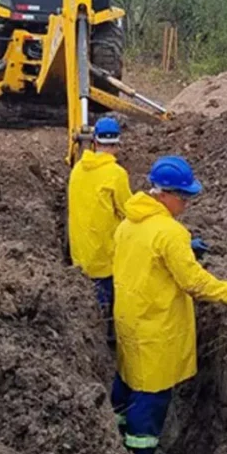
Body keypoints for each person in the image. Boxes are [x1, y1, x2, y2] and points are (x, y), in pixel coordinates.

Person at [111, 155, 227, 454]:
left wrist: (184, 249)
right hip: (155, 329)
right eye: (183, 197)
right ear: (164, 195)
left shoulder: (128, 223)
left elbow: (148, 257)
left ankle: (115, 447)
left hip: (129, 321)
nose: (186, 204)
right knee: (150, 401)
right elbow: (194, 282)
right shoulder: (170, 233)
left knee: (125, 386)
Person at [68, 117, 131, 345]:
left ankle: (96, 341)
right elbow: (129, 212)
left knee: (90, 303)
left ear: (94, 143)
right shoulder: (116, 174)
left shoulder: (77, 169)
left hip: (80, 254)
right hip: (105, 257)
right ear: (117, 144)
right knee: (105, 305)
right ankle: (106, 341)